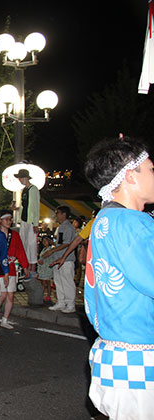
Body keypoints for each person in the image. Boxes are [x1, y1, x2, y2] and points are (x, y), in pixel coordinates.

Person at [83, 136, 154, 419]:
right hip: (138, 355)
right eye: (150, 168)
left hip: (117, 353)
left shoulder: (106, 219)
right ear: (129, 176)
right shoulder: (130, 222)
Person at [0, 209, 28, 329]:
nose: (9, 222)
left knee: (10, 295)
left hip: (11, 268)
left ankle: (5, 319)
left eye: (10, 219)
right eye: (6, 219)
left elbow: (20, 251)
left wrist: (25, 266)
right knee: (1, 295)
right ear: (1, 220)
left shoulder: (15, 235)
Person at [43, 206, 77, 313]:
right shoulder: (61, 227)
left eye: (58, 213)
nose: (56, 216)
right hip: (58, 258)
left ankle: (70, 304)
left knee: (67, 281)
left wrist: (52, 251)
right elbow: (61, 243)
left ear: (64, 214)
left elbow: (66, 243)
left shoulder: (68, 227)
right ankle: (61, 302)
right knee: (58, 281)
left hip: (66, 259)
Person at [14, 169, 40, 281]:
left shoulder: (33, 189)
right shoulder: (24, 190)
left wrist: (36, 222)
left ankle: (32, 269)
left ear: (25, 178)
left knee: (31, 244)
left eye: (20, 178)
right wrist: (16, 209)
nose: (19, 180)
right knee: (24, 244)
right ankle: (26, 269)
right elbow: (25, 206)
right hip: (24, 220)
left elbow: (35, 206)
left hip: (31, 221)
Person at [37, 236, 57, 303]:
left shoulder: (50, 249)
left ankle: (48, 295)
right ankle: (42, 295)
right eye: (43, 241)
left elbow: (44, 256)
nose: (44, 242)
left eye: (46, 241)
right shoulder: (44, 249)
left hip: (47, 268)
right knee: (43, 282)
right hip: (43, 268)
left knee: (47, 282)